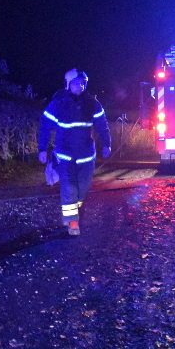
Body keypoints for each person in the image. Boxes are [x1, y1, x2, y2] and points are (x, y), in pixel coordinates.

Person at [38, 70, 111, 236]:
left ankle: (72, 212)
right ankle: (72, 222)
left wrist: (107, 144)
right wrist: (42, 149)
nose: (80, 86)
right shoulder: (58, 104)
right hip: (65, 156)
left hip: (86, 156)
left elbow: (102, 125)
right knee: (69, 187)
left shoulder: (92, 103)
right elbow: (45, 126)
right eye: (76, 83)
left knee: (82, 189)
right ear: (68, 84)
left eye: (83, 83)